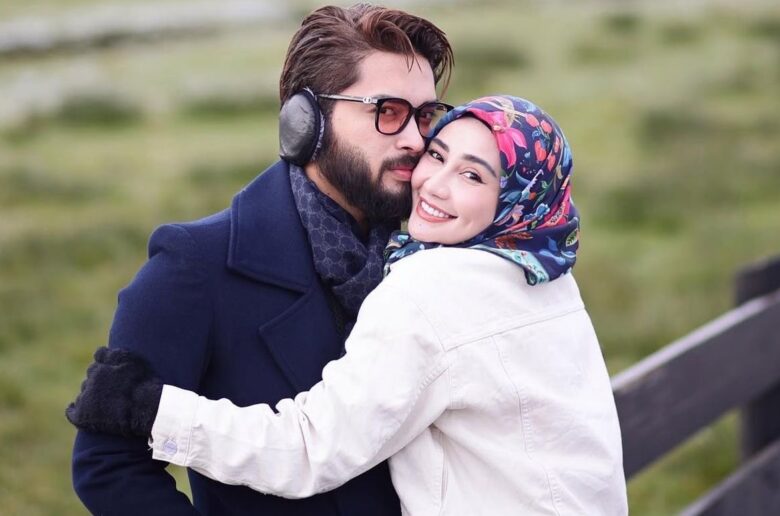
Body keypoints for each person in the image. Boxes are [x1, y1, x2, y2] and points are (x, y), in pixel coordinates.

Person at [68, 96, 628, 515]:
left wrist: (150, 408)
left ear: (520, 197)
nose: (433, 184)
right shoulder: (545, 272)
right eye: (437, 154)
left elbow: (312, 449)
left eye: (473, 175)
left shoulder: (431, 287)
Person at [70, 4, 454, 515]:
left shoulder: (438, 263)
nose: (416, 139)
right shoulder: (193, 266)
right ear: (305, 120)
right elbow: (109, 466)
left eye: (426, 116)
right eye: (387, 111)